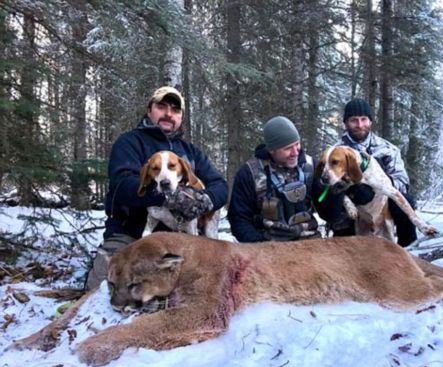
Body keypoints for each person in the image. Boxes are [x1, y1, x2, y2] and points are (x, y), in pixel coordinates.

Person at [85, 86, 228, 290]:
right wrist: (170, 197)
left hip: (185, 239)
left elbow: (220, 186)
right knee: (103, 290)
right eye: (162, 107)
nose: (169, 114)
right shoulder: (129, 142)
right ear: (149, 109)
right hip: (131, 235)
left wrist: (203, 199)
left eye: (175, 110)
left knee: (212, 287)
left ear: (181, 117)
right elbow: (122, 186)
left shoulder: (191, 152)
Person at [314, 98, 418, 247]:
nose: (360, 125)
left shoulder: (388, 149)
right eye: (354, 120)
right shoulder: (334, 152)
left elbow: (402, 182)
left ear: (370, 122)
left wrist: (377, 187)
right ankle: (346, 249)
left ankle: (407, 249)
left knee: (407, 199)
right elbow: (323, 185)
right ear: (345, 123)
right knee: (335, 205)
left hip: (381, 205)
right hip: (350, 210)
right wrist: (351, 192)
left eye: (364, 119)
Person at [228, 116, 320, 242]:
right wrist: (259, 244)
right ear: (272, 150)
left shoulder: (312, 166)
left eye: (297, 144)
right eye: (287, 148)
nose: (295, 152)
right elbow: (239, 219)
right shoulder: (249, 173)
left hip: (309, 241)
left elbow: (327, 208)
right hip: (269, 245)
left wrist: (332, 192)